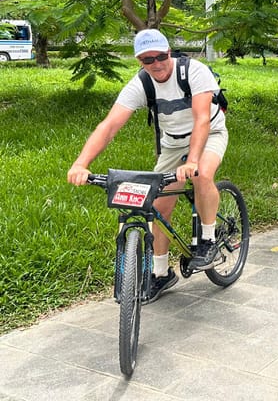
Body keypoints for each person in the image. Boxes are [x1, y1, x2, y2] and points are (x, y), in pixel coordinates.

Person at [67, 29, 228, 302]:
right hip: (173, 144)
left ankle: (209, 239)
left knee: (201, 175)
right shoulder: (142, 84)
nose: (156, 64)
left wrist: (191, 161)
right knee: (158, 207)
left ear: (169, 53)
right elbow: (108, 127)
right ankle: (161, 273)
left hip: (210, 134)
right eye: (147, 59)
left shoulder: (194, 71)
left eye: (161, 56)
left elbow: (202, 119)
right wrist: (81, 164)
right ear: (140, 62)